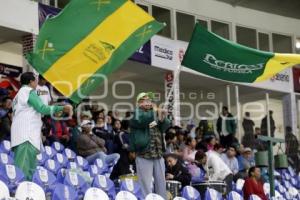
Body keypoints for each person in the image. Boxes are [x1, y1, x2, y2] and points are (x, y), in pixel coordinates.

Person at [11, 72, 72, 180]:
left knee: (28, 168)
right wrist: (62, 108)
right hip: (26, 135)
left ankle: (25, 192)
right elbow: (42, 108)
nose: (37, 82)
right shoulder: (28, 91)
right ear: (31, 81)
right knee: (24, 168)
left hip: (21, 134)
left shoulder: (17, 95)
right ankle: (19, 192)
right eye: (35, 80)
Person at [129, 92, 170, 199]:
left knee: (161, 183)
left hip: (158, 153)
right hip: (144, 154)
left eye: (149, 100)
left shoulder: (152, 115)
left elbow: (163, 127)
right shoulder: (136, 114)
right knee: (145, 185)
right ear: (139, 103)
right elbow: (142, 121)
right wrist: (156, 112)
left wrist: (162, 118)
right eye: (145, 100)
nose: (148, 102)